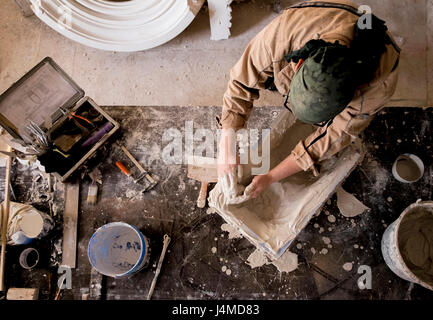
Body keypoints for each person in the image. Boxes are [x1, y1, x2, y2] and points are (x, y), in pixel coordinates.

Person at [217, 0, 400, 198]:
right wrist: (227, 142)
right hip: (322, 19)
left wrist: (270, 177)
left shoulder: (376, 91)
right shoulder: (286, 33)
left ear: (354, 94)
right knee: (264, 76)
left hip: (370, 44)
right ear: (299, 62)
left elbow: (332, 138)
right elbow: (241, 81)